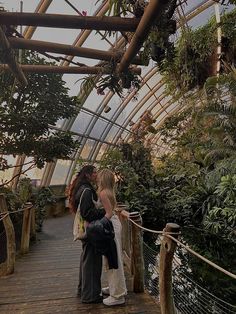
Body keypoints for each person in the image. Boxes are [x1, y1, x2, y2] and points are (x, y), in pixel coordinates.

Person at [68, 165, 105, 303]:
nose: (97, 175)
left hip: (86, 231)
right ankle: (90, 296)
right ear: (88, 175)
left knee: (87, 259)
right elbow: (87, 213)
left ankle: (83, 290)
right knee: (92, 262)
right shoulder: (87, 190)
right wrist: (105, 211)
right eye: (95, 173)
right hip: (90, 231)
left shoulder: (81, 188)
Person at [97, 168, 127, 306]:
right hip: (114, 224)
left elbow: (108, 213)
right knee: (113, 259)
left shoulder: (103, 193)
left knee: (113, 260)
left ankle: (118, 296)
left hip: (110, 227)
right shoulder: (110, 192)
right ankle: (115, 288)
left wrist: (97, 226)